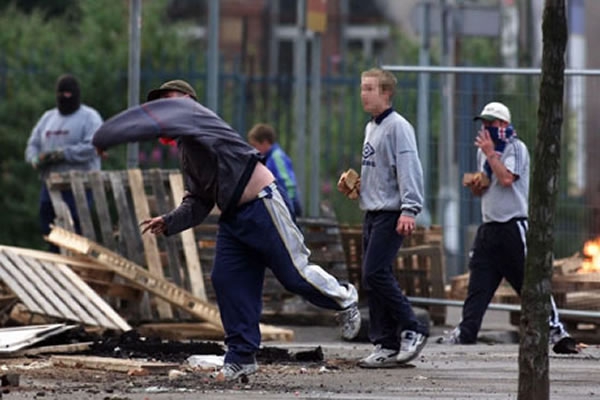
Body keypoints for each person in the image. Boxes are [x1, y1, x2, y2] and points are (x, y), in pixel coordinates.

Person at [92, 79, 361, 381]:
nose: (165, 106)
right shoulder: (187, 149)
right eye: (160, 102)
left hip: (262, 205)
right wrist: (170, 221)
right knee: (226, 279)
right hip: (234, 218)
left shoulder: (194, 114)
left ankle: (344, 298)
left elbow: (147, 120)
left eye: (169, 100)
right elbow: (198, 200)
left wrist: (104, 136)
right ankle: (241, 357)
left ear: (187, 100)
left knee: (293, 274)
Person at [437, 101, 578, 354]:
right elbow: (487, 187)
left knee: (530, 282)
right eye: (484, 124)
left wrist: (492, 153)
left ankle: (556, 331)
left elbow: (506, 179)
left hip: (513, 227)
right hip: (490, 227)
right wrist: (476, 185)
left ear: (503, 124)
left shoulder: (515, 147)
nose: (486, 128)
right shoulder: (484, 152)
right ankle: (466, 331)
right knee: (478, 285)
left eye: (491, 123)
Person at [337, 68, 428, 368]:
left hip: (391, 213)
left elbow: (409, 168)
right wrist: (358, 187)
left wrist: (409, 208)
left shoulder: (398, 127)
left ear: (386, 93)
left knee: (374, 273)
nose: (363, 94)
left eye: (370, 88)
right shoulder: (371, 127)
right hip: (372, 211)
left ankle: (413, 328)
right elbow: (382, 169)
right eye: (362, 88)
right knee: (372, 277)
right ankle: (385, 343)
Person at [25, 74, 102, 253]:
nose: (65, 98)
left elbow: (93, 145)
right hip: (51, 185)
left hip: (79, 186)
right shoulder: (48, 118)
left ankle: (75, 265)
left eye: (69, 94)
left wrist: (63, 154)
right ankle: (57, 263)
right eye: (62, 94)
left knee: (75, 229)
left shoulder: (90, 117)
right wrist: (36, 159)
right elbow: (32, 145)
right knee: (48, 227)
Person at [247, 123, 302, 218]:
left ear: (265, 143)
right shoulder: (268, 159)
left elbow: (288, 185)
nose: (253, 149)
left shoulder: (276, 157)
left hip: (285, 209)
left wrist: (288, 210)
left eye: (255, 145)